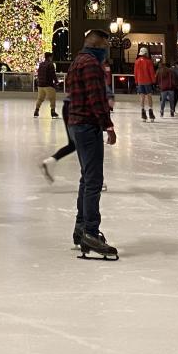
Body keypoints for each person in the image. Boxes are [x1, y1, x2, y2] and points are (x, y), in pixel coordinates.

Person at [64, 30, 117, 258]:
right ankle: (91, 232)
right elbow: (97, 98)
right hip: (87, 125)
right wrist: (108, 125)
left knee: (86, 178)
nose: (107, 52)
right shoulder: (92, 65)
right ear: (98, 45)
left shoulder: (77, 61)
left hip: (76, 124)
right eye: (105, 47)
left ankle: (81, 228)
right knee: (94, 180)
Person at [34, 52, 60, 118]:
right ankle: (53, 112)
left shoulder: (41, 64)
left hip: (40, 85)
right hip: (48, 85)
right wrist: (56, 82)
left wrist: (39, 82)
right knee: (52, 99)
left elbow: (38, 74)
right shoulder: (50, 64)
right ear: (50, 57)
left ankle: (36, 111)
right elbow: (53, 74)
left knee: (40, 99)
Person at [134, 47, 156, 121]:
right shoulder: (149, 61)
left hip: (140, 81)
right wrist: (153, 81)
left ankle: (143, 113)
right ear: (146, 53)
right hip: (148, 81)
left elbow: (135, 73)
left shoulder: (137, 61)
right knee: (149, 96)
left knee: (142, 97)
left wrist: (136, 81)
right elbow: (151, 72)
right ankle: (151, 112)